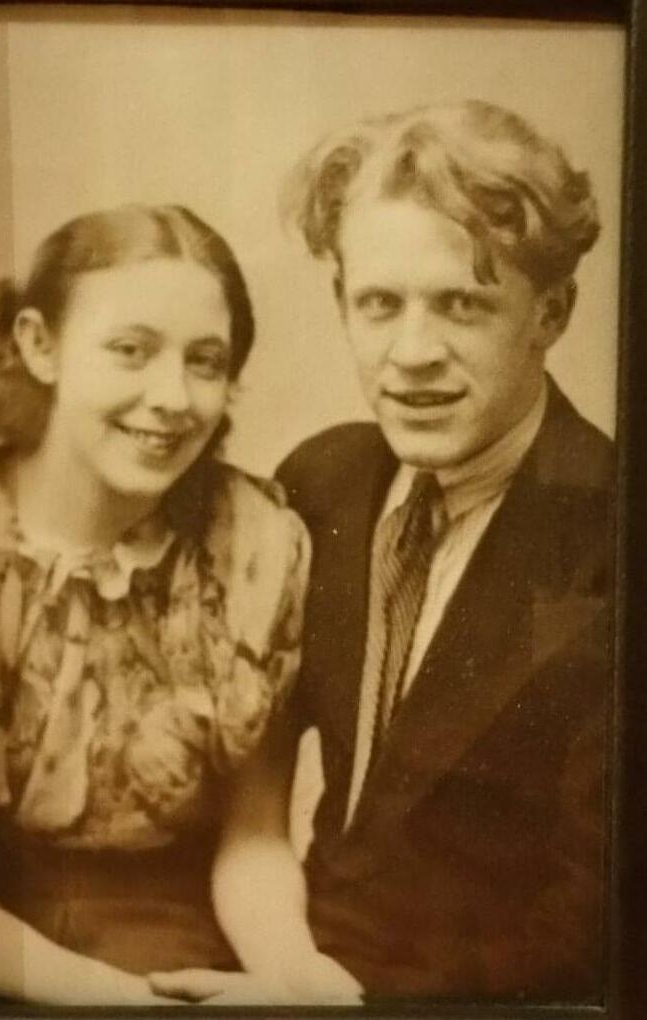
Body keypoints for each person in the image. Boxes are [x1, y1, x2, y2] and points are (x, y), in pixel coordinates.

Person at [158, 101, 614, 1004]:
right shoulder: (319, 482)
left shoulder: (614, 533)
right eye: (379, 304)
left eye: (462, 304)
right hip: (292, 966)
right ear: (341, 303)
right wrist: (290, 977)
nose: (411, 354)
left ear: (551, 312)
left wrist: (352, 1006)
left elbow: (598, 935)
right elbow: (250, 807)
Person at [0, 203, 351, 1006]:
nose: (174, 397)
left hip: (171, 948)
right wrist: (115, 1000)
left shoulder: (254, 544)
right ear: (39, 344)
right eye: (131, 351)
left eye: (205, 362)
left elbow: (253, 840)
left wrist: (291, 975)